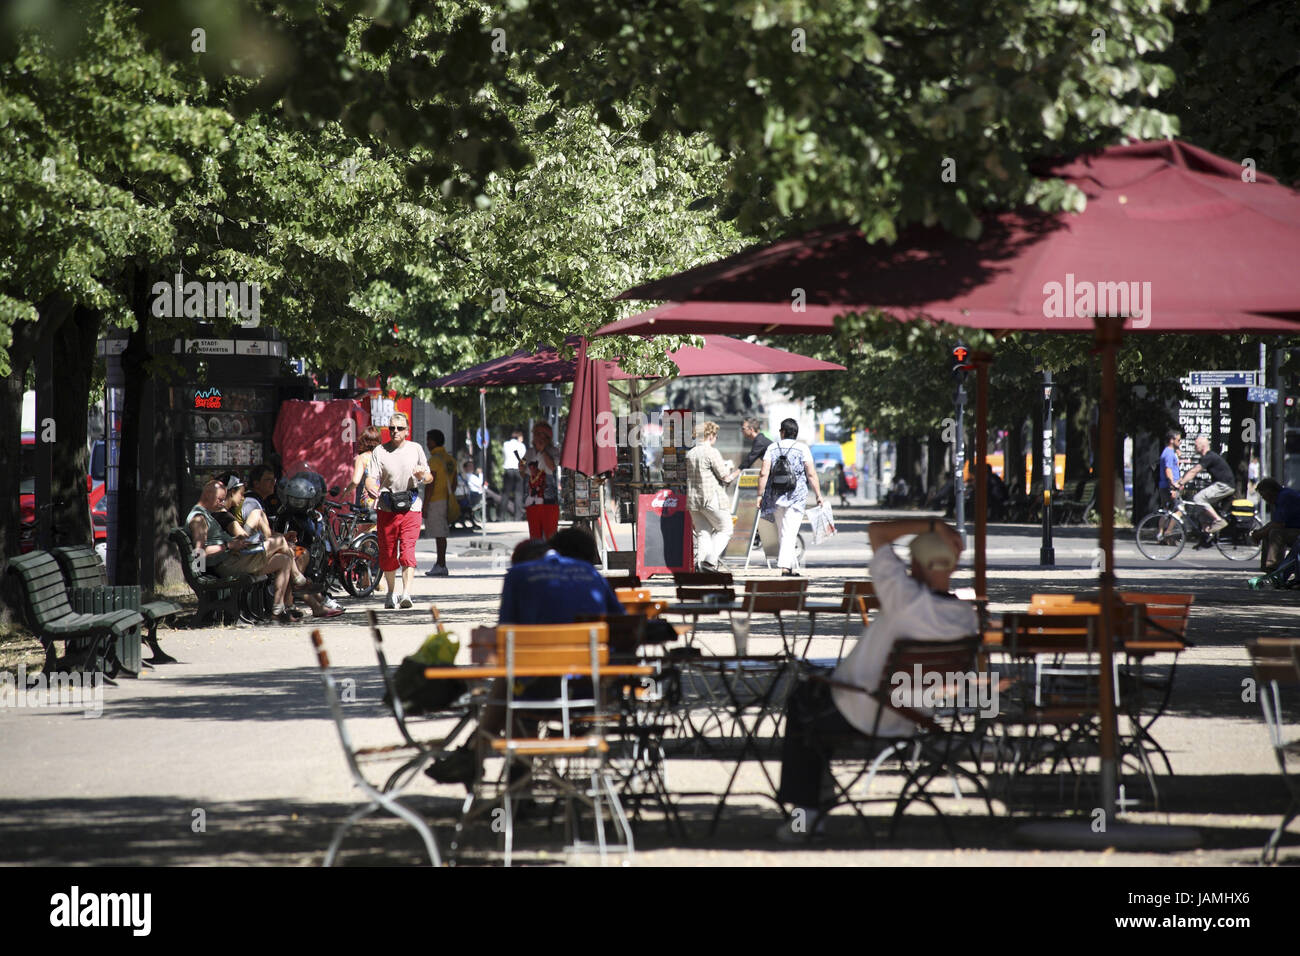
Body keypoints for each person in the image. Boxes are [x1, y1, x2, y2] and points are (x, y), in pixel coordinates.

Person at [775, 518, 974, 841]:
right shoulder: (966, 618)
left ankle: (806, 816)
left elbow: (876, 533)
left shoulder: (903, 597)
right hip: (913, 717)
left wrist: (933, 525)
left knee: (803, 702)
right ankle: (818, 800)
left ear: (919, 565)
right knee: (815, 705)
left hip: (864, 712)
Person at [426, 528, 624, 786]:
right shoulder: (590, 574)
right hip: (593, 691)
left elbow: (507, 636)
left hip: (535, 694)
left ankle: (499, 771)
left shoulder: (518, 576)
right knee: (515, 683)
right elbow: (621, 625)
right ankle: (486, 762)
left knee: (513, 686)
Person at [216, 472, 343, 619]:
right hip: (236, 561)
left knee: (286, 559)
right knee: (288, 546)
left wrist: (278, 537)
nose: (242, 497)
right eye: (240, 494)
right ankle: (301, 585)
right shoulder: (227, 513)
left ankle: (278, 610)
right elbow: (242, 539)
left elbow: (252, 537)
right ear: (231, 492)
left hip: (243, 557)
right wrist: (268, 532)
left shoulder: (230, 511)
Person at [187, 478, 299, 624]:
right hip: (226, 565)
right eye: (220, 499)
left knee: (284, 560)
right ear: (208, 496)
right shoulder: (199, 518)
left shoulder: (206, 514)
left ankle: (277, 611)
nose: (222, 504)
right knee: (279, 542)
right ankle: (298, 580)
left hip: (232, 560)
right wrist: (228, 547)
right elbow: (199, 554)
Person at [371, 412, 431, 608]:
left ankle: (406, 594)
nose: (395, 431)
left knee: (407, 552)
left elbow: (429, 477)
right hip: (387, 507)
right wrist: (370, 487)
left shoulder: (415, 449)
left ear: (407, 430)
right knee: (388, 554)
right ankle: (391, 593)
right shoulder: (380, 451)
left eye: (399, 428)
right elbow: (371, 477)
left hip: (411, 506)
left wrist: (422, 475)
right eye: (392, 428)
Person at [756, 418, 824, 575]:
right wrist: (818, 495)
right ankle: (785, 567)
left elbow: (764, 473)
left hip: (775, 496)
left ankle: (789, 566)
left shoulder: (772, 448)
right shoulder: (803, 449)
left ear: (782, 432)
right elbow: (811, 474)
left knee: (783, 532)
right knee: (789, 532)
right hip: (796, 496)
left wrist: (760, 495)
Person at [686, 420, 739, 572]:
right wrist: (732, 470)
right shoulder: (711, 452)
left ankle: (701, 566)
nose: (716, 439)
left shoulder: (691, 453)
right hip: (711, 498)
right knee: (726, 529)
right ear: (710, 435)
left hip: (694, 500)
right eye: (716, 435)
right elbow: (724, 476)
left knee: (703, 533)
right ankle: (710, 561)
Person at [1176, 435, 1235, 534]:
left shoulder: (1209, 457)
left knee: (1198, 498)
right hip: (1223, 485)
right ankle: (1206, 536)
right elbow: (1193, 472)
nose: (1194, 447)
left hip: (1224, 485)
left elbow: (1194, 471)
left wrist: (1180, 483)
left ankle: (1219, 521)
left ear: (1202, 446)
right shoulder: (1208, 457)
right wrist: (1182, 482)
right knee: (1200, 508)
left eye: (1196, 445)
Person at [422, 429, 458, 578]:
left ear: (434, 441)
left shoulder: (434, 460)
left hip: (436, 500)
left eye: (428, 440)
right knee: (441, 534)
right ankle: (440, 564)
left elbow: (430, 484)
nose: (427, 443)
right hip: (446, 499)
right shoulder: (450, 459)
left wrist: (425, 504)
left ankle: (441, 564)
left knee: (439, 534)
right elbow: (454, 483)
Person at [521, 422, 561, 540]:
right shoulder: (529, 452)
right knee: (535, 537)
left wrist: (543, 451)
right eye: (535, 434)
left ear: (547, 436)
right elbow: (522, 470)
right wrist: (521, 467)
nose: (536, 437)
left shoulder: (554, 451)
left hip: (549, 501)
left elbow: (552, 467)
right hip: (531, 502)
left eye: (540, 434)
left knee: (551, 537)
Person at [1251, 477, 1300, 570]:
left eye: (1263, 495)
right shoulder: (1282, 495)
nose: (1263, 498)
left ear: (1269, 491)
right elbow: (1274, 522)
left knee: (1276, 533)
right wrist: (1260, 532)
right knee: (1268, 532)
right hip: (1294, 528)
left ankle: (1273, 567)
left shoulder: (1284, 497)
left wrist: (1259, 534)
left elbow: (1278, 525)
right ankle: (1266, 569)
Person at [343, 425, 382, 514]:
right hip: (383, 498)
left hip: (369, 498)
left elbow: (356, 481)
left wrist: (346, 492)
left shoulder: (362, 458)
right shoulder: (383, 456)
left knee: (365, 526)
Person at [502, 428, 527, 519]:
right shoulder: (521, 446)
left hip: (508, 469)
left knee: (505, 493)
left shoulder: (505, 444)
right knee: (519, 493)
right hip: (518, 470)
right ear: (518, 437)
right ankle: (517, 517)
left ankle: (501, 516)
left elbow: (504, 456)